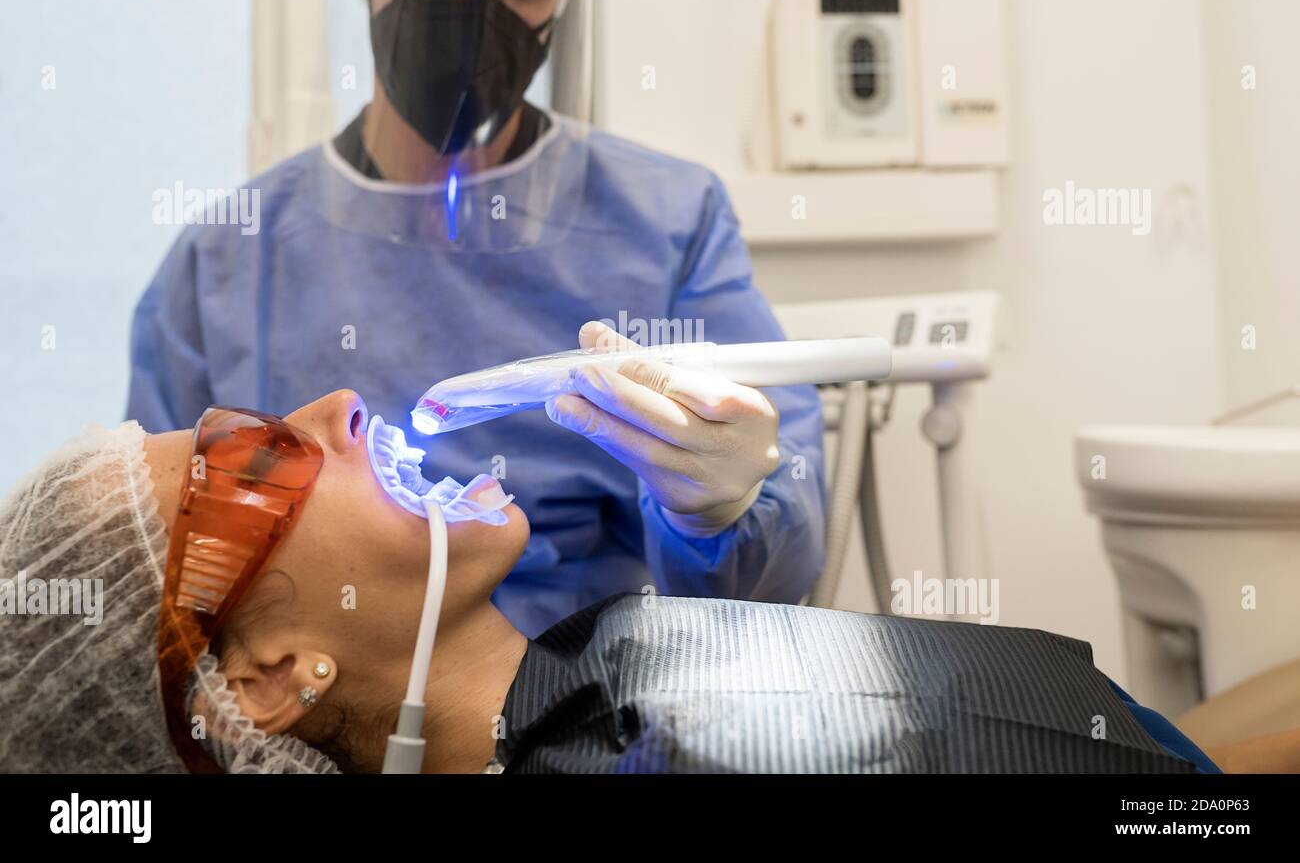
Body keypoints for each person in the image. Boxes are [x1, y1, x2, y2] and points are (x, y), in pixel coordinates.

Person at [126, 0, 826, 639]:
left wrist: (718, 511)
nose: (474, 11)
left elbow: (775, 580)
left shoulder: (666, 220)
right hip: (312, 704)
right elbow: (156, 558)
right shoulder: (233, 255)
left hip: (580, 701)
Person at [1, 391, 1230, 774]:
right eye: (254, 459)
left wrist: (716, 502)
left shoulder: (601, 668)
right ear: (265, 679)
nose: (332, 404)